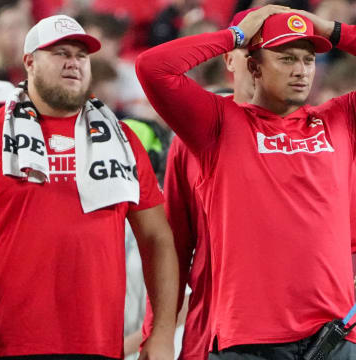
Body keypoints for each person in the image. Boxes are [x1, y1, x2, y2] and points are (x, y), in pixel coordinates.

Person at [136, 4, 356, 359]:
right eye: (286, 59)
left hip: (335, 337)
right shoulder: (218, 126)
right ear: (253, 66)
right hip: (248, 340)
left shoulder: (338, 120)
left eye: (308, 60)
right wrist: (234, 37)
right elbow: (153, 68)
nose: (301, 71)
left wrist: (331, 30)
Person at [0, 14, 179, 360]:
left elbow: (157, 238)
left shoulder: (123, 141)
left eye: (81, 56)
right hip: (10, 344)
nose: (73, 63)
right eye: (60, 53)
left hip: (98, 346)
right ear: (29, 62)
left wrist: (162, 333)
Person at [142, 9, 256, 360]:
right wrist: (157, 332)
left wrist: (330, 30)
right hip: (218, 330)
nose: (261, 65)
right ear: (231, 60)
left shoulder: (317, 133)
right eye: (252, 52)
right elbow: (174, 242)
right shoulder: (195, 135)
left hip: (313, 335)